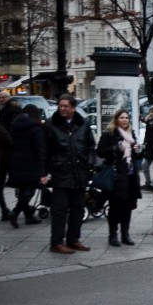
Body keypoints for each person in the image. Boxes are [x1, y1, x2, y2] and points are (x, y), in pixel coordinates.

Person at [42, 93, 96, 254]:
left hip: (79, 172)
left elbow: (90, 146)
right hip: (61, 172)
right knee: (59, 209)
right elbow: (44, 150)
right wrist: (44, 172)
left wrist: (90, 164)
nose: (63, 109)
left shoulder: (83, 124)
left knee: (78, 208)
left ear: (73, 108)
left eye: (66, 106)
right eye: (61, 106)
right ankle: (57, 242)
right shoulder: (51, 125)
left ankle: (73, 239)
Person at [96, 109, 143, 246]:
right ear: (116, 119)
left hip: (130, 176)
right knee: (116, 206)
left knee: (128, 206)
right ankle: (113, 235)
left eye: (127, 118)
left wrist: (138, 151)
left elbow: (137, 157)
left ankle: (125, 234)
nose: (124, 120)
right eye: (121, 117)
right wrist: (115, 147)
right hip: (116, 176)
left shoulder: (131, 134)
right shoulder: (109, 134)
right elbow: (100, 152)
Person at [5, 104, 46, 227]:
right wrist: (43, 167)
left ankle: (29, 216)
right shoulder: (36, 128)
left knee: (22, 190)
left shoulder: (15, 126)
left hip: (16, 162)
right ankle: (16, 212)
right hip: (30, 163)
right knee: (29, 190)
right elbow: (39, 148)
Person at [141, 104, 153, 189]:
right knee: (144, 165)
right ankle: (148, 182)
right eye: (150, 111)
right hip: (149, 147)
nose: (151, 113)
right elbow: (147, 134)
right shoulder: (148, 122)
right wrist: (144, 142)